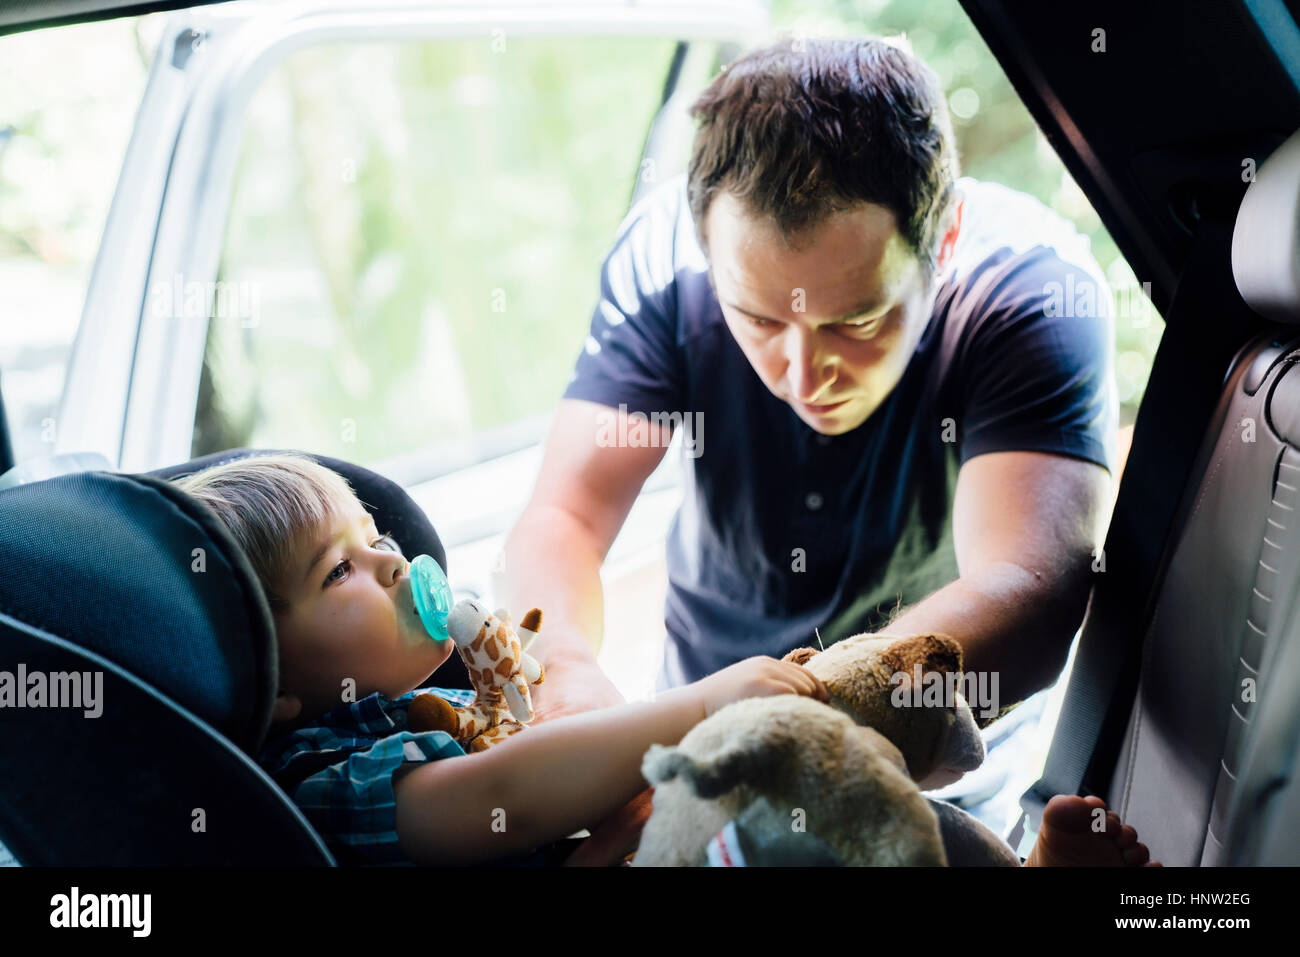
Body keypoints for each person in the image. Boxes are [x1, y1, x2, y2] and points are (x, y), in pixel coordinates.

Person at [501, 34, 1117, 746]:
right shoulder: (662, 265)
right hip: (697, 734)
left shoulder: (1029, 293)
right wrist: (569, 679)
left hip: (931, 774)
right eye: (760, 318)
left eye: (856, 320)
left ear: (943, 241)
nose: (802, 371)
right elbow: (565, 516)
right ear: (704, 246)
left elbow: (1032, 583)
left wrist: (781, 724)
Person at [171, 452, 828, 866]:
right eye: (341, 569)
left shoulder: (426, 713)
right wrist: (701, 705)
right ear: (272, 678)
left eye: (375, 538)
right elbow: (505, 792)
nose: (395, 561)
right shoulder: (326, 789)